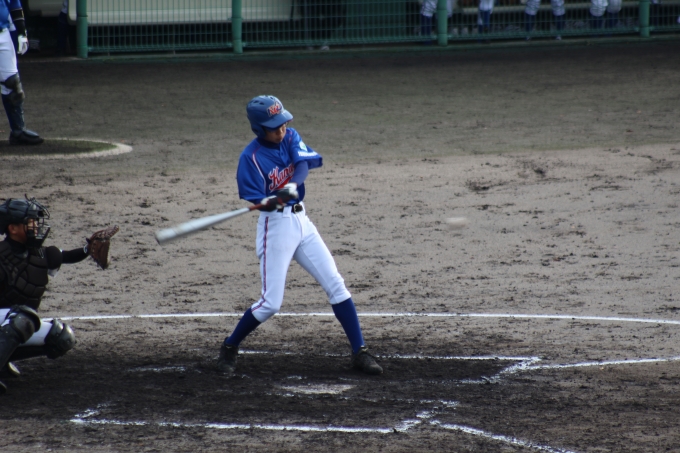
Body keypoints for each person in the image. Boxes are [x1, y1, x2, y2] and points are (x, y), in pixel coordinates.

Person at [217, 95, 382, 376]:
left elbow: (303, 165)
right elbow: (256, 198)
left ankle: (360, 351)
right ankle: (230, 346)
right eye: (274, 127)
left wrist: (292, 184)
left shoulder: (290, 136)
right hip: (275, 228)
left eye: (283, 123)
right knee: (271, 304)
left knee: (336, 285)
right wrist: (270, 200)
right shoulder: (250, 158)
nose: (281, 130)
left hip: (302, 222)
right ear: (259, 128)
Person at [0, 197, 114, 394]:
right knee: (23, 318)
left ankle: (3, 361)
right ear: (13, 228)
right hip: (8, 319)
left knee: (61, 336)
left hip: (10, 321)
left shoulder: (40, 255)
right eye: (30, 222)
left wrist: (87, 250)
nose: (36, 227)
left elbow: (67, 256)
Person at [0, 0, 42, 145]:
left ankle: (18, 131)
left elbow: (14, 4)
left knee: (12, 83)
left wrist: (21, 31)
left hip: (2, 33)